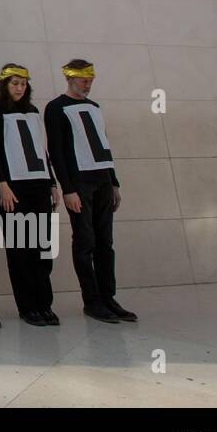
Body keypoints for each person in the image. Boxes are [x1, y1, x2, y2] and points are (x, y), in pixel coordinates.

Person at [45, 60, 136, 323]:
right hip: (80, 184)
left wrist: (114, 181)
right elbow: (57, 152)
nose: (88, 84)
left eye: (91, 80)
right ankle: (92, 301)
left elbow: (103, 145)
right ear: (70, 79)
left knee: (105, 243)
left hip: (103, 181)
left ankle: (108, 297)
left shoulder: (94, 107)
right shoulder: (56, 108)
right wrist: (68, 188)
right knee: (85, 242)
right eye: (84, 80)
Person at [0, 64, 60, 327]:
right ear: (4, 85)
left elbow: (41, 149)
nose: (19, 88)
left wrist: (51, 182)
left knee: (42, 248)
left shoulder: (33, 112)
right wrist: (2, 184)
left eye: (23, 83)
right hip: (13, 190)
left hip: (38, 185)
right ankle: (27, 307)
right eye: (14, 83)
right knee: (20, 250)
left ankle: (44, 304)